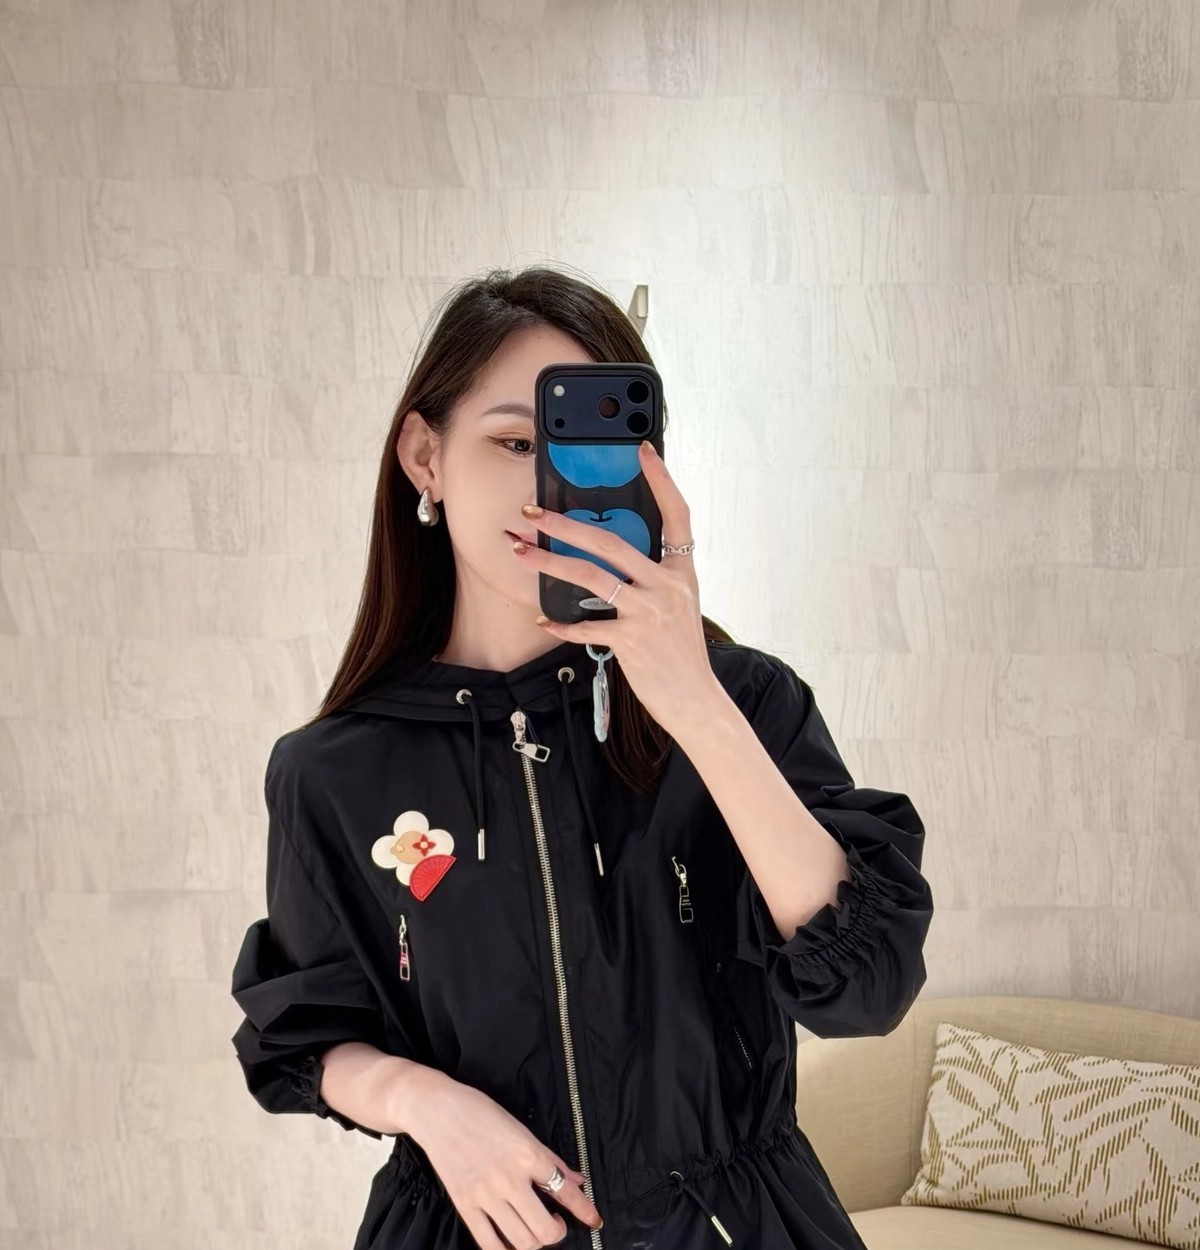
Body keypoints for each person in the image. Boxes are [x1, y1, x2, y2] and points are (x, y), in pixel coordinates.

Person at [229, 265, 934, 1250]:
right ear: (426, 456)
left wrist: (693, 701)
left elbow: (868, 988)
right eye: (515, 442)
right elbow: (302, 1033)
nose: (548, 489)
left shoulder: (742, 704)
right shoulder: (333, 771)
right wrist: (429, 1105)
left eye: (586, 450)